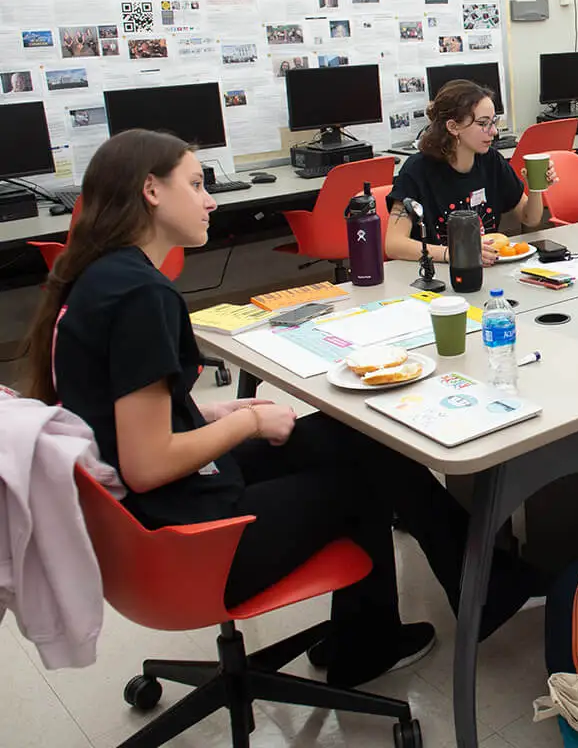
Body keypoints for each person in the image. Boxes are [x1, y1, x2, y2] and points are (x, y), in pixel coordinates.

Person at [21, 130, 540, 690]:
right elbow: (148, 463)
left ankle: (478, 587)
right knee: (362, 480)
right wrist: (247, 421)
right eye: (196, 185)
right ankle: (376, 641)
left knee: (359, 435)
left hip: (148, 511)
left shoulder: (99, 279)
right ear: (150, 190)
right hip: (187, 534)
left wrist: (208, 417)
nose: (211, 200)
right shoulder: (141, 296)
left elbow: (119, 421)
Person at [386, 79, 556, 265]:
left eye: (493, 122)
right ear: (453, 127)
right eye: (483, 123)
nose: (493, 132)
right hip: (438, 273)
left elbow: (529, 219)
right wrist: (454, 253)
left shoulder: (491, 160)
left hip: (486, 269)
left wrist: (535, 187)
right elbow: (394, 245)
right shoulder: (417, 170)